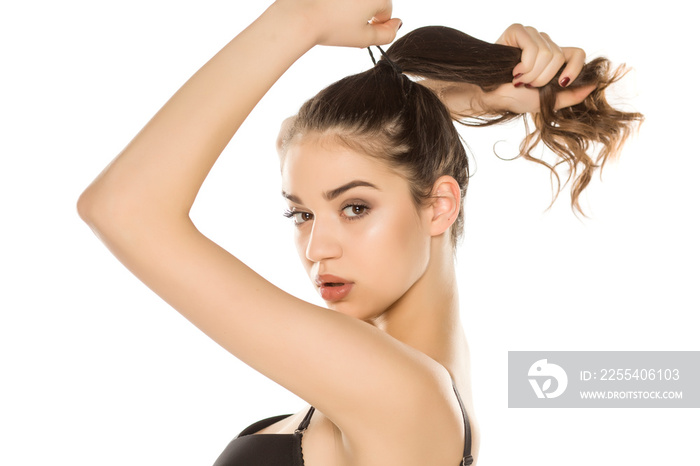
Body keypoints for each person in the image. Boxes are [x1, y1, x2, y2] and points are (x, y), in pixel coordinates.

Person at [77, 1, 641, 465]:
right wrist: (460, 96)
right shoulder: (417, 382)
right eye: (301, 214)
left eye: (353, 208)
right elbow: (349, 149)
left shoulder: (401, 392)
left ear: (441, 206)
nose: (317, 249)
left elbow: (122, 207)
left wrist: (300, 18)